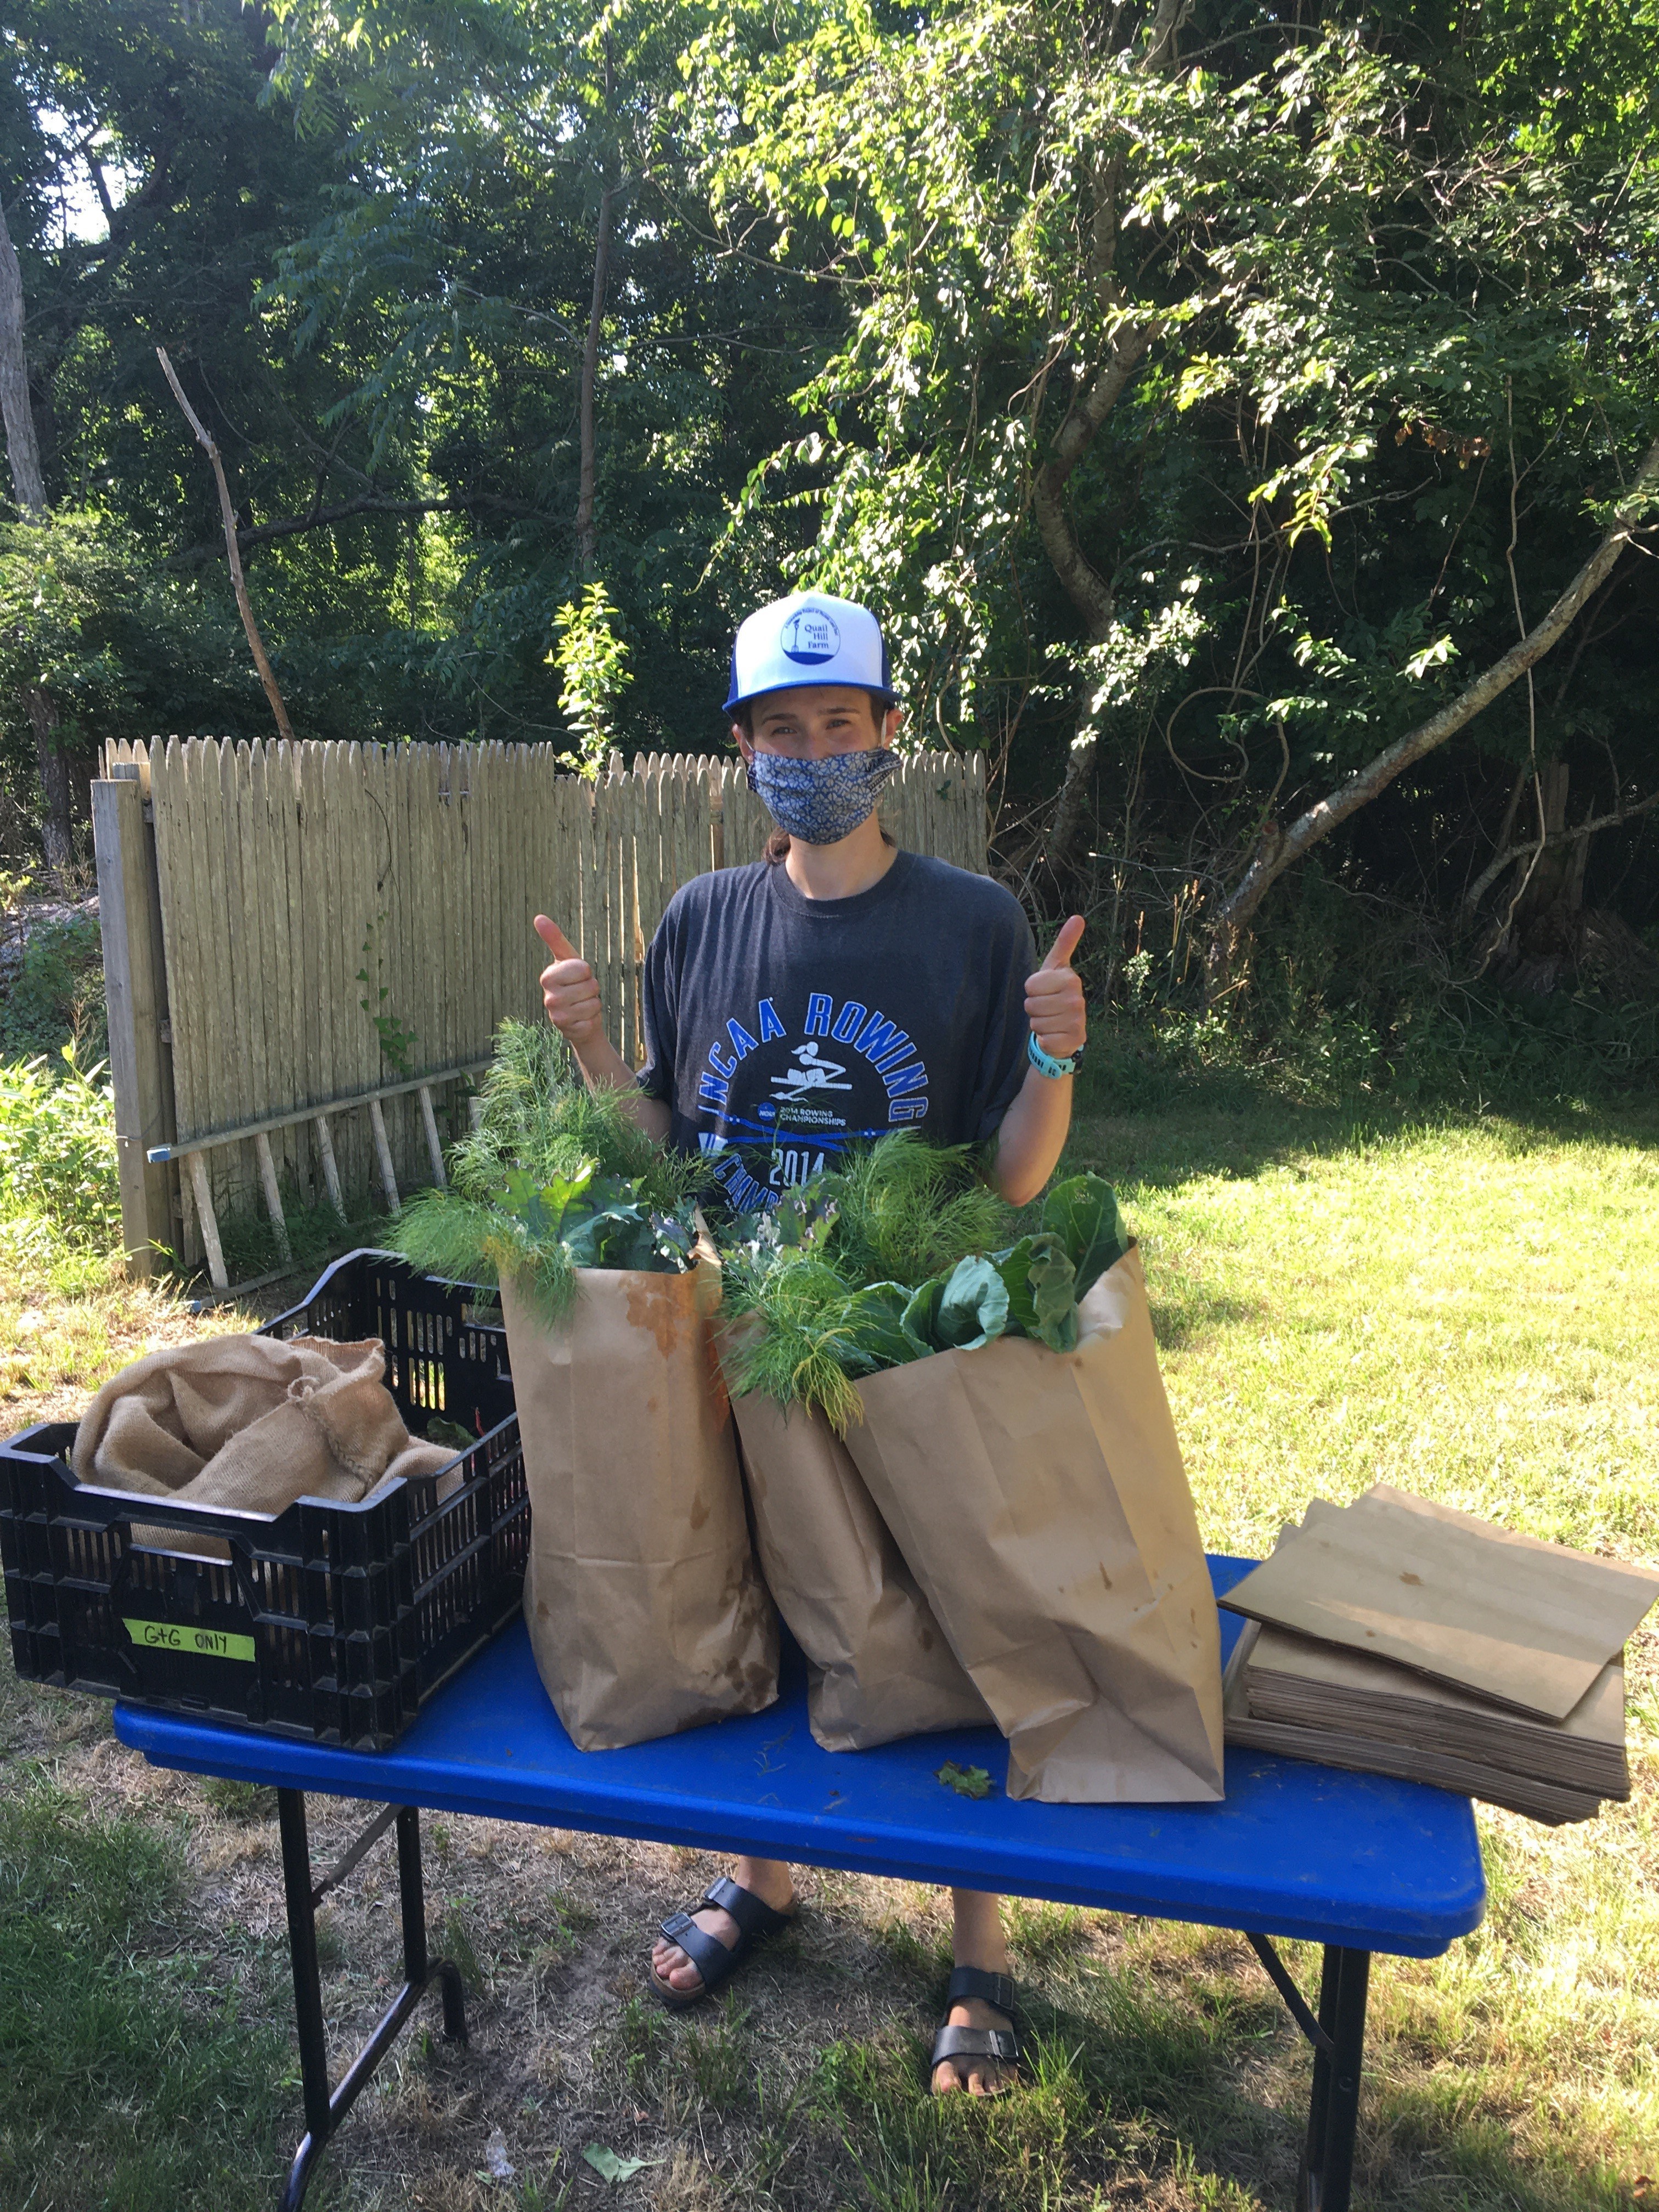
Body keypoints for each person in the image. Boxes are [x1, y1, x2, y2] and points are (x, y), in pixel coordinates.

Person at [533, 590, 1086, 2097]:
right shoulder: (705, 919)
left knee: (941, 1623)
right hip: (735, 1336)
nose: (814, 751)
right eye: (783, 729)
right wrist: (593, 1050)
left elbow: (1015, 1178)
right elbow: (660, 1148)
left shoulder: (972, 922)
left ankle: (980, 1957)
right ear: (744, 750)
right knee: (756, 1602)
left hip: (901, 1346)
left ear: (889, 732)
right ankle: (763, 1886)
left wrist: (1057, 1055)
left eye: (842, 723)